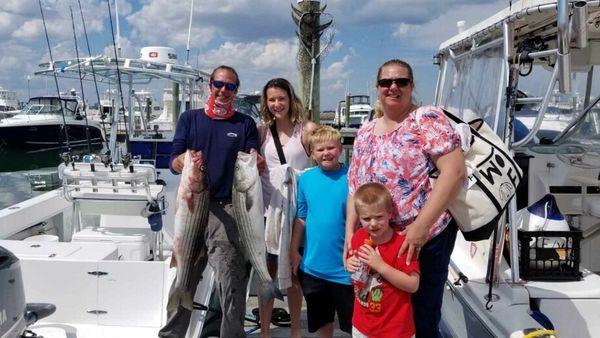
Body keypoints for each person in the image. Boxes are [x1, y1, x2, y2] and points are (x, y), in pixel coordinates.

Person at [345, 59, 466, 338]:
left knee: (422, 317)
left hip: (424, 240)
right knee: (380, 313)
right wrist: (349, 234)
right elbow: (354, 187)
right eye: (386, 82)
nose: (394, 87)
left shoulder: (426, 119)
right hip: (377, 239)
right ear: (377, 88)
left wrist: (420, 228)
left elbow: (455, 171)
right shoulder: (364, 131)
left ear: (412, 86)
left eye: (401, 81)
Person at [160, 65, 262, 338]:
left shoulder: (244, 124)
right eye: (218, 84)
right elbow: (173, 160)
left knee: (231, 280)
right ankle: (171, 333)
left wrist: (258, 162)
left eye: (230, 86)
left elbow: (253, 161)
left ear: (236, 91)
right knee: (186, 272)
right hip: (193, 203)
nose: (223, 90)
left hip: (227, 207)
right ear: (210, 86)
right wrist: (180, 161)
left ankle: (231, 334)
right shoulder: (189, 119)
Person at [257, 78, 317, 338]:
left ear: (291, 99)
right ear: (265, 102)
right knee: (266, 274)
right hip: (266, 213)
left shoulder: (306, 130)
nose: (277, 104)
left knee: (294, 272)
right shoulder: (261, 132)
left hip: (296, 214)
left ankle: (295, 330)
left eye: (281, 98)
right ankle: (265, 331)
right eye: (272, 99)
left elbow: (325, 159)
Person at [291, 126, 354, 338]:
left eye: (331, 148)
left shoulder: (352, 177)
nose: (326, 153)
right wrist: (293, 249)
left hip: (346, 270)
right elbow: (301, 217)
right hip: (313, 268)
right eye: (320, 149)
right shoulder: (306, 179)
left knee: (353, 325)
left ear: (340, 148)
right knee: (322, 322)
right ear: (311, 153)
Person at [347, 182, 420, 338]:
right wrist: (349, 264)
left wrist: (380, 266)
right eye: (366, 218)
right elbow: (350, 263)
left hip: (395, 330)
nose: (373, 223)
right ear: (359, 217)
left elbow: (413, 285)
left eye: (379, 217)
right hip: (362, 326)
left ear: (390, 213)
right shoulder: (359, 237)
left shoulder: (402, 244)